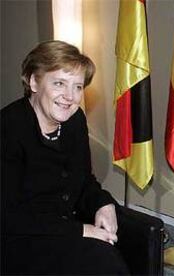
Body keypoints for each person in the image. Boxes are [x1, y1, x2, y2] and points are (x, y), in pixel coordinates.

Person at [1, 40, 160, 275]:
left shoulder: (74, 121)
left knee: (110, 255)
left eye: (77, 86)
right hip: (18, 239)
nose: (70, 96)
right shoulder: (8, 128)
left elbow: (83, 179)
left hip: (64, 225)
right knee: (103, 262)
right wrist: (81, 231)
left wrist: (102, 202)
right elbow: (8, 216)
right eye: (59, 83)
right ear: (34, 82)